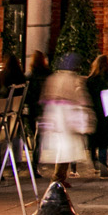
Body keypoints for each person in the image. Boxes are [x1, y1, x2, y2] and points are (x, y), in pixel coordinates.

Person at [40, 54, 91, 182]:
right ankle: (58, 177)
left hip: (55, 114)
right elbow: (80, 96)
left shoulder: (54, 78)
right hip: (67, 116)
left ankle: (60, 177)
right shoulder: (74, 80)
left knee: (62, 148)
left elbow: (47, 95)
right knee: (67, 148)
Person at [84, 54, 108, 178]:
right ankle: (103, 163)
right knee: (107, 142)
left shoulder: (90, 79)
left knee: (94, 140)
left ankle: (95, 160)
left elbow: (86, 96)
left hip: (95, 113)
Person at [23, 51, 50, 169]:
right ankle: (36, 159)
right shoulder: (48, 75)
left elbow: (27, 95)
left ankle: (33, 159)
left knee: (33, 134)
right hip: (44, 108)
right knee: (40, 136)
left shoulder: (29, 76)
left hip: (33, 108)